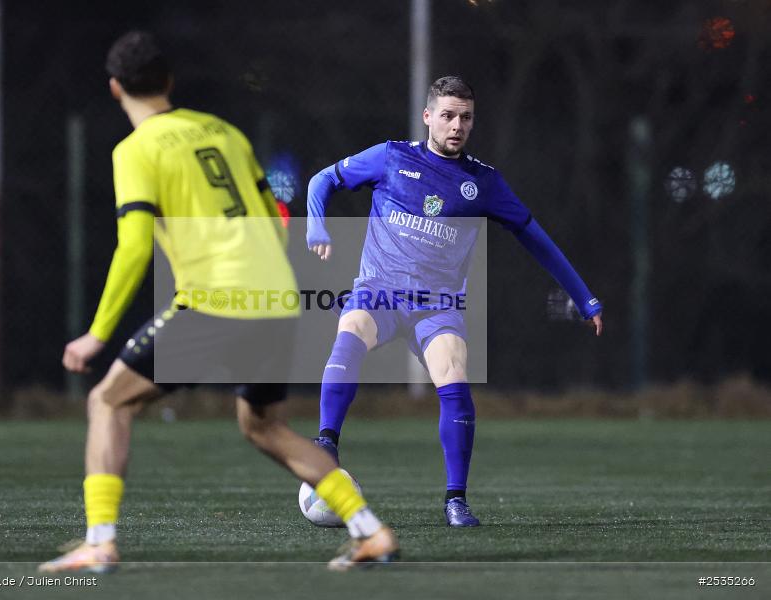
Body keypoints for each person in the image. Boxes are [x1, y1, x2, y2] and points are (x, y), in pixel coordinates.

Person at [39, 31, 398, 573]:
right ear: (169, 82)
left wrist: (98, 331)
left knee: (108, 402)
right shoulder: (224, 132)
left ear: (116, 89)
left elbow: (134, 246)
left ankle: (100, 541)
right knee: (263, 427)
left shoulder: (134, 150)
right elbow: (273, 217)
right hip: (277, 298)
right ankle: (370, 531)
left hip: (216, 299)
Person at [306, 75, 603, 528]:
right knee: (351, 331)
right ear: (428, 117)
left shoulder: (484, 183)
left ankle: (456, 501)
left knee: (455, 375)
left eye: (465, 117)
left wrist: (584, 298)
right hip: (379, 290)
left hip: (436, 305)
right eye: (447, 115)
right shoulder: (391, 157)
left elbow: (536, 239)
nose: (456, 125)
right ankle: (326, 443)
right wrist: (316, 226)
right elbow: (321, 180)